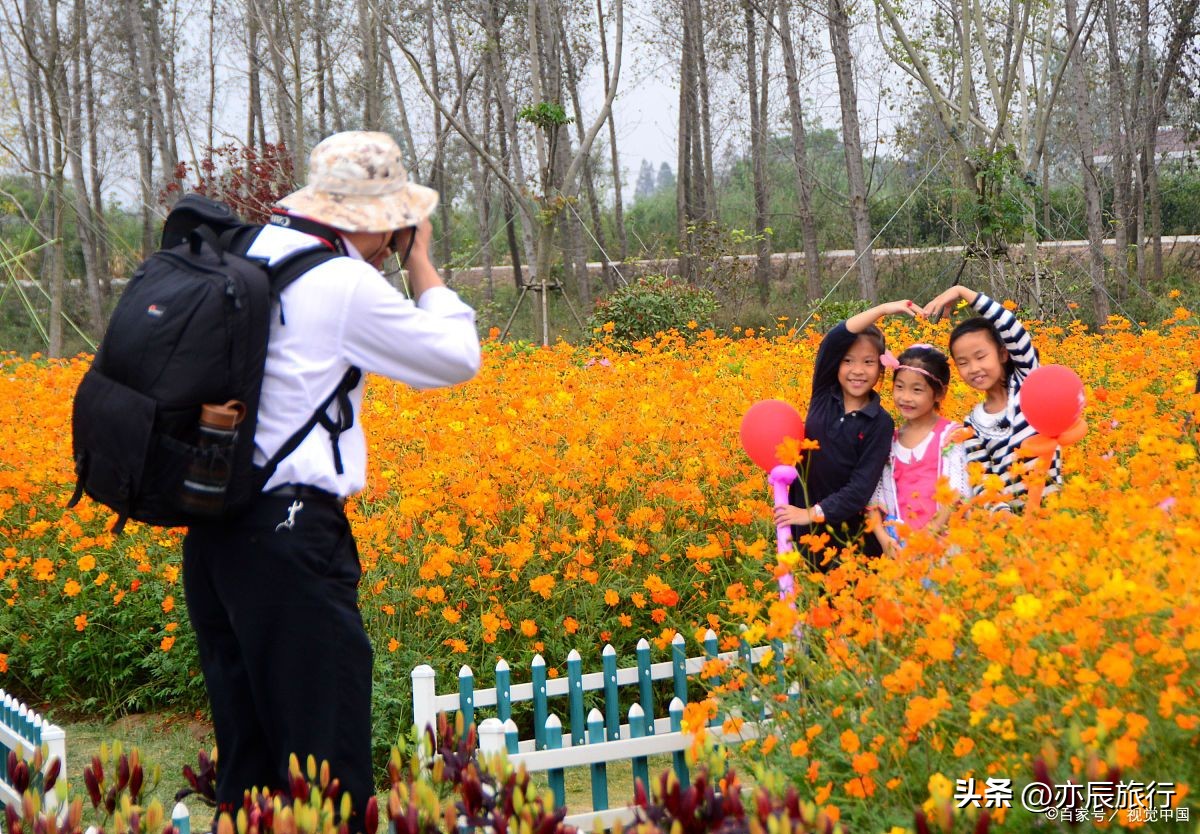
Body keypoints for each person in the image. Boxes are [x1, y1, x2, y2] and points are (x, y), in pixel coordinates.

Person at [181, 131, 481, 829]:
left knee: (247, 773)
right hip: (291, 541)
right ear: (380, 219)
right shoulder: (341, 282)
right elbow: (456, 357)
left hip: (215, 533)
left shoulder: (248, 252)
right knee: (327, 769)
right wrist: (422, 262)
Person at [774, 301, 919, 570]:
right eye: (848, 361)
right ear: (836, 365)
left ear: (881, 369)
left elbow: (859, 489)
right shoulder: (823, 394)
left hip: (849, 538)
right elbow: (835, 339)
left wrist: (811, 513)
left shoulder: (880, 423)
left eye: (868, 362)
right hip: (803, 527)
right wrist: (882, 310)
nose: (857, 371)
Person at [923, 285, 1060, 511]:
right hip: (1013, 529)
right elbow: (983, 480)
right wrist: (1002, 518)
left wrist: (963, 292)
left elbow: (1010, 327)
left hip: (1055, 515)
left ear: (1003, 354)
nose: (974, 368)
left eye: (980, 356)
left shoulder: (1026, 385)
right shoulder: (972, 425)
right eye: (963, 362)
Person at [869, 344, 969, 554]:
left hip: (943, 548)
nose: (905, 397)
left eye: (917, 390)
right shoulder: (890, 440)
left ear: (940, 393)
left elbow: (956, 493)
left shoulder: (950, 436)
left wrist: (928, 535)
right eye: (899, 387)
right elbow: (876, 496)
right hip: (900, 547)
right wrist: (883, 537)